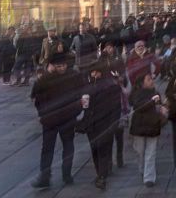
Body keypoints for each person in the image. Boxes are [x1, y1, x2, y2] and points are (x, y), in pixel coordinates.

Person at [30, 52, 83, 189]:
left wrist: (76, 110)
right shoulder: (45, 79)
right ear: (52, 66)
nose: (61, 68)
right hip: (50, 120)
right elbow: (35, 98)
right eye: (58, 66)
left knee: (68, 146)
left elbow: (80, 94)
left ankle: (67, 174)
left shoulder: (73, 76)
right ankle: (45, 177)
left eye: (63, 65)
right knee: (47, 149)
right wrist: (42, 113)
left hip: (67, 118)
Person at [81, 61, 122, 190]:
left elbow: (116, 107)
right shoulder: (87, 87)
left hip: (106, 123)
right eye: (92, 72)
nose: (94, 74)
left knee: (103, 149)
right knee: (95, 150)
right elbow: (83, 106)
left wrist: (114, 123)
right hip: (91, 125)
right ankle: (100, 173)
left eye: (96, 72)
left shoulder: (111, 86)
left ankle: (102, 177)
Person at [129, 73, 165, 188]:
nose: (152, 81)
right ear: (142, 82)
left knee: (151, 152)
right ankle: (142, 169)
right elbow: (137, 106)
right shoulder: (136, 94)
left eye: (152, 79)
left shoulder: (156, 93)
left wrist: (162, 109)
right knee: (140, 151)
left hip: (152, 125)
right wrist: (151, 102)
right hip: (139, 126)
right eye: (148, 79)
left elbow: (159, 106)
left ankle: (149, 177)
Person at [98, 40, 128, 169]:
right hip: (107, 103)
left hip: (119, 99)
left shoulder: (118, 60)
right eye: (106, 48)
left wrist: (121, 79)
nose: (108, 49)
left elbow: (124, 75)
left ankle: (119, 158)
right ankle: (109, 161)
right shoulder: (101, 62)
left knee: (119, 134)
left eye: (110, 47)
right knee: (109, 136)